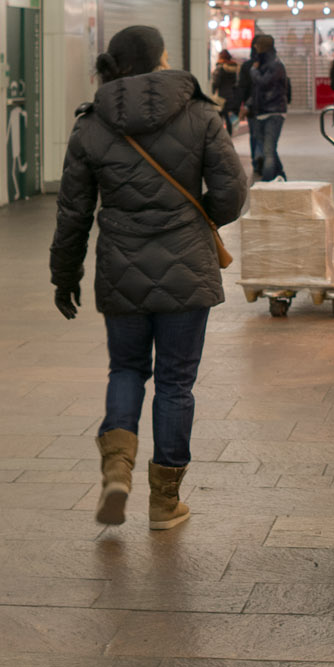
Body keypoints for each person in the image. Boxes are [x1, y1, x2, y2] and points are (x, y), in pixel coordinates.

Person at [51, 26, 247, 530]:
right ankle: (164, 502)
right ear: (162, 60)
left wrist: (64, 274)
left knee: (126, 370)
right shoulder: (200, 114)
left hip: (121, 268)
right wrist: (196, 220)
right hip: (186, 268)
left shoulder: (90, 125)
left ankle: (117, 468)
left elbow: (73, 211)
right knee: (176, 384)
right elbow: (230, 191)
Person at [235, 33, 291, 182]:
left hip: (273, 112)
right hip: (261, 111)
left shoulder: (273, 65)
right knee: (268, 148)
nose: (255, 48)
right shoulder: (262, 63)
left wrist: (253, 72)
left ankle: (266, 183)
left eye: (257, 45)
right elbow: (257, 90)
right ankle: (281, 176)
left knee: (268, 150)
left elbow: (263, 83)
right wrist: (247, 105)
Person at [211, 49, 241, 134]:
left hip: (220, 96)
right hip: (230, 95)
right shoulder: (233, 68)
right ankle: (229, 134)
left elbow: (216, 82)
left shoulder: (220, 68)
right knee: (228, 116)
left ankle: (219, 135)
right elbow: (234, 82)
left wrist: (212, 91)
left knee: (218, 117)